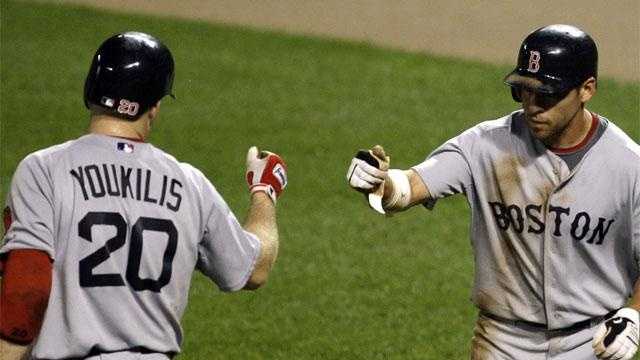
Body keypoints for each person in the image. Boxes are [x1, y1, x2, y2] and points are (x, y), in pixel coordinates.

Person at [347, 24, 640, 360]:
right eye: (523, 92)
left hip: (591, 342)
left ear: (587, 89)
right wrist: (377, 181)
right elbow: (407, 188)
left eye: (547, 94)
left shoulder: (629, 167)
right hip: (503, 341)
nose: (532, 105)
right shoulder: (485, 144)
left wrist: (634, 315)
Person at [0, 31, 287, 360]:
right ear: (154, 106)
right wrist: (265, 190)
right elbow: (255, 268)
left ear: (91, 89)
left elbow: (26, 285)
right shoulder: (190, 184)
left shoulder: (44, 169)